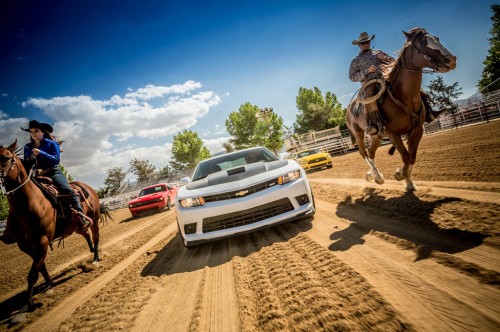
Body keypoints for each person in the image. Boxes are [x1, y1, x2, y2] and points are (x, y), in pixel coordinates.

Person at [349, 31, 439, 136]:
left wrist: (385, 58)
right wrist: (367, 71)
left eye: (367, 42)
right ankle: (373, 124)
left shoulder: (378, 52)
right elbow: (352, 77)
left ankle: (428, 111)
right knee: (369, 94)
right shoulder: (356, 60)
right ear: (359, 45)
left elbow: (395, 62)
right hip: (370, 82)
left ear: (369, 42)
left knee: (408, 86)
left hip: (387, 77)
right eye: (363, 43)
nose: (365, 44)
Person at [22, 120, 91, 230]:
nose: (33, 133)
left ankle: (81, 215)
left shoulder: (51, 143)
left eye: (36, 131)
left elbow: (55, 160)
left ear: (43, 132)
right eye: (31, 131)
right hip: (36, 176)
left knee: (66, 189)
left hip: (53, 172)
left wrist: (41, 153)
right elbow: (26, 163)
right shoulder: (27, 147)